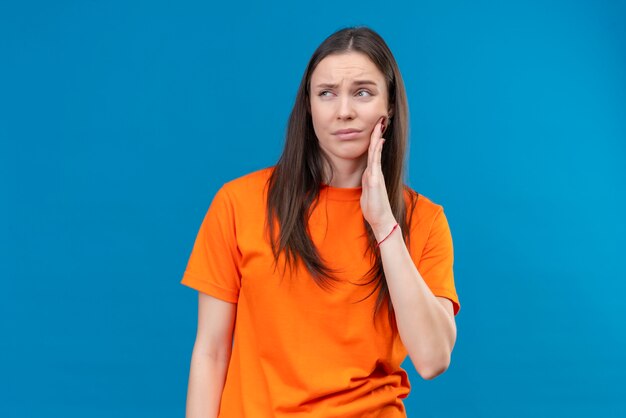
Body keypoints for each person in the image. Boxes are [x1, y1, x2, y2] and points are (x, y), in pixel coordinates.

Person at [181, 26, 460, 418]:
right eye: (326, 93)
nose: (343, 110)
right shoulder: (238, 203)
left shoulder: (424, 221)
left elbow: (432, 359)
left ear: (390, 105)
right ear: (308, 105)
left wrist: (383, 225)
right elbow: (211, 353)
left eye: (362, 92)